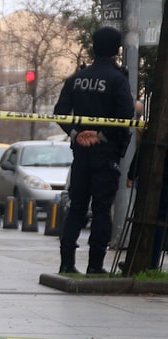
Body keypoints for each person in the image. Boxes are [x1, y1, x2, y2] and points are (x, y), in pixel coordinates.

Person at [54, 26, 134, 274]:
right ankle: (95, 265)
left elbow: (60, 113)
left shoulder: (76, 78)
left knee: (77, 206)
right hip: (106, 152)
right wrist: (100, 135)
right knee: (101, 208)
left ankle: (66, 263)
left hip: (81, 154)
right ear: (116, 50)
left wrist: (77, 134)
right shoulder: (118, 79)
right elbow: (126, 115)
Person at [126, 101, 167, 270]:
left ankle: (146, 261)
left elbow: (144, 148)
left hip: (152, 176)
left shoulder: (157, 124)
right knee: (157, 220)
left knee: (149, 218)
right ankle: (150, 262)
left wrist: (132, 173)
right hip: (155, 176)